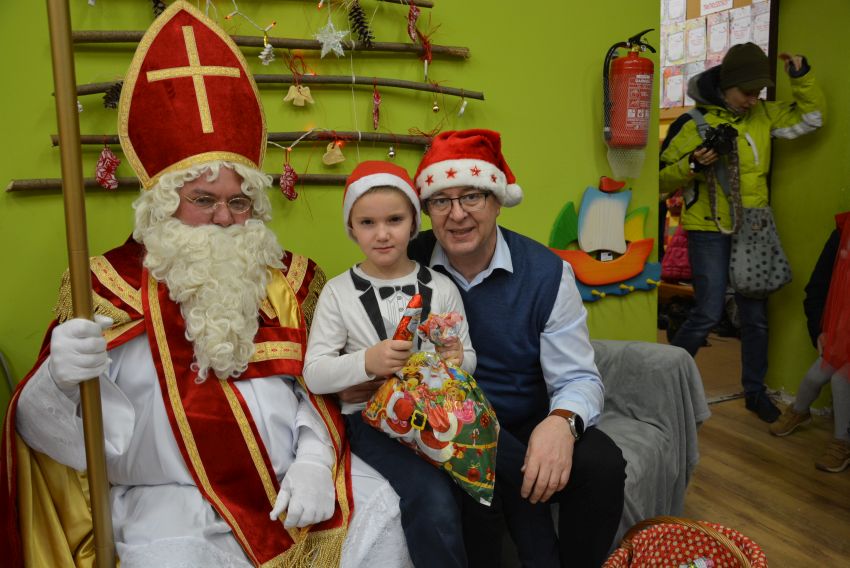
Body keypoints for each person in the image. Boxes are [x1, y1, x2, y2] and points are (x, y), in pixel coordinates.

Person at [0, 3, 409, 567]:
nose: (223, 217)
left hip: (291, 484)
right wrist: (56, 381)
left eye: (239, 202)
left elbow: (319, 387)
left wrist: (316, 462)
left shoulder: (290, 280)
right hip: (165, 503)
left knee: (380, 512)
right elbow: (45, 435)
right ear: (164, 203)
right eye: (203, 200)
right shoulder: (105, 286)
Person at [341, 129, 626, 567]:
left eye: (472, 196)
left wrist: (561, 424)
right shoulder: (402, 261)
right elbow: (362, 325)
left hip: (524, 419)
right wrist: (355, 377)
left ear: (497, 200)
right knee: (469, 499)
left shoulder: (547, 273)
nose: (457, 215)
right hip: (442, 422)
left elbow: (578, 377)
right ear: (425, 212)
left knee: (601, 465)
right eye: (441, 200)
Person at [303, 160, 477, 567]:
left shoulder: (441, 286)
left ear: (414, 222)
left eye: (394, 220)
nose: (382, 234)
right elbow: (314, 373)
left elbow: (467, 356)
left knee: (508, 470)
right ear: (352, 228)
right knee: (432, 497)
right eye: (367, 223)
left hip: (440, 413)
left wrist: (457, 360)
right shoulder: (338, 293)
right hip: (371, 422)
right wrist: (366, 361)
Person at [659, 42, 825, 422]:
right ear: (725, 85)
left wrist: (801, 78)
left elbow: (813, 119)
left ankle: (755, 392)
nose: (753, 100)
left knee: (755, 316)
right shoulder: (692, 123)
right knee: (707, 312)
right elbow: (658, 180)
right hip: (707, 228)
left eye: (758, 93)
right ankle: (661, 383)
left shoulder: (763, 115)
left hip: (752, 226)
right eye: (747, 92)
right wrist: (692, 166)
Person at [769, 212, 850, 473]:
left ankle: (842, 442)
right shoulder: (842, 234)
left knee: (841, 381)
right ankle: (799, 411)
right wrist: (819, 331)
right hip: (843, 334)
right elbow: (816, 288)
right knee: (815, 376)